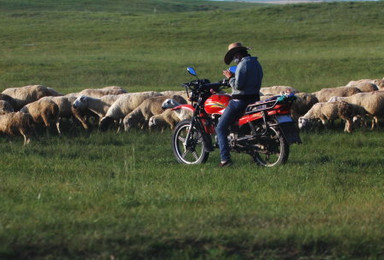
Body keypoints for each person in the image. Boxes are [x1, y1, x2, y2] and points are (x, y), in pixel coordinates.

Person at [216, 42, 263, 167]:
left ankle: (225, 159)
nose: (234, 60)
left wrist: (230, 77)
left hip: (240, 101)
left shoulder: (243, 64)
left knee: (220, 128)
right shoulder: (256, 63)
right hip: (254, 99)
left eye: (233, 57)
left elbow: (238, 86)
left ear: (237, 54)